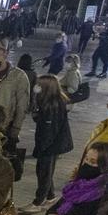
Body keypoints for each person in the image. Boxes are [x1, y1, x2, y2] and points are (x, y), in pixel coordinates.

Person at [28, 73, 74, 205]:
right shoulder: (48, 102)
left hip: (51, 146)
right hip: (52, 144)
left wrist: (41, 149)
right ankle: (50, 195)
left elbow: (49, 131)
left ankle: (38, 202)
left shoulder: (53, 107)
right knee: (46, 171)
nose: (36, 87)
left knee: (44, 173)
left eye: (39, 85)